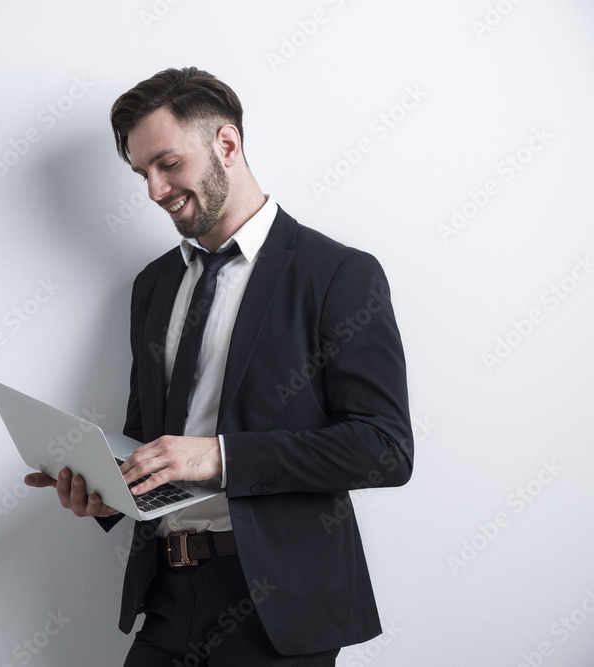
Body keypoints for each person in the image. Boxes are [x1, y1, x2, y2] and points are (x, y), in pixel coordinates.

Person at [24, 67, 413, 666]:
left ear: (226, 145)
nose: (154, 190)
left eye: (168, 164)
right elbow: (146, 435)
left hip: (279, 606)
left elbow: (384, 448)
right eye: (141, 173)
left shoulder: (337, 274)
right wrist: (108, 488)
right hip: (166, 597)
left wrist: (220, 456)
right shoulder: (153, 286)